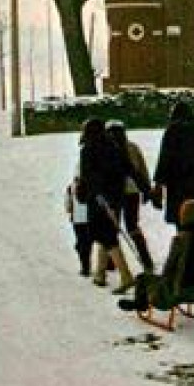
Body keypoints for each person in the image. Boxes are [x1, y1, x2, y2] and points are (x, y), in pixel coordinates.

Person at [118, 198, 194, 315]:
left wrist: (162, 285)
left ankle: (140, 304)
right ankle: (142, 302)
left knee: (142, 278)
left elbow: (169, 267)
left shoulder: (182, 237)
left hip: (183, 290)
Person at [77, 116, 137, 293]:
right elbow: (126, 169)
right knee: (106, 233)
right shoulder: (114, 147)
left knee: (105, 235)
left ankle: (126, 275)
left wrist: (94, 194)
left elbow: (89, 176)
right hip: (115, 198)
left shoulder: (88, 149)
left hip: (98, 199)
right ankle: (100, 274)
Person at [152, 101, 194, 225]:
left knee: (181, 221)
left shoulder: (172, 131)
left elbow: (164, 159)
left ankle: (184, 243)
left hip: (177, 187)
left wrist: (158, 185)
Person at [106, 119, 155, 272]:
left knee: (113, 226)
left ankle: (111, 261)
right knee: (132, 225)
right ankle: (146, 258)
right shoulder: (132, 147)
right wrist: (146, 189)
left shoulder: (107, 149)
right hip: (132, 192)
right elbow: (142, 169)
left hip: (114, 193)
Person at [65, 175, 93, 276]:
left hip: (77, 220)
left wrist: (71, 210)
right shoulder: (92, 185)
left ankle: (85, 268)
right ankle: (108, 263)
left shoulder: (71, 187)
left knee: (81, 243)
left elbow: (68, 207)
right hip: (90, 218)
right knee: (88, 243)